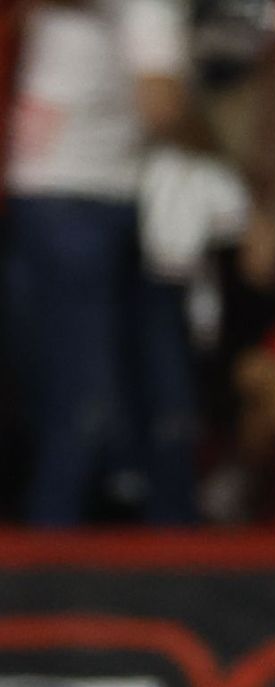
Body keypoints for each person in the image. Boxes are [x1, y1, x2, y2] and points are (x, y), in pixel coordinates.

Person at [1, 0, 192, 524]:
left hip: (43, 190)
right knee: (83, 386)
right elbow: (162, 103)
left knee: (62, 379)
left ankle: (60, 525)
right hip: (85, 198)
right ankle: (60, 540)